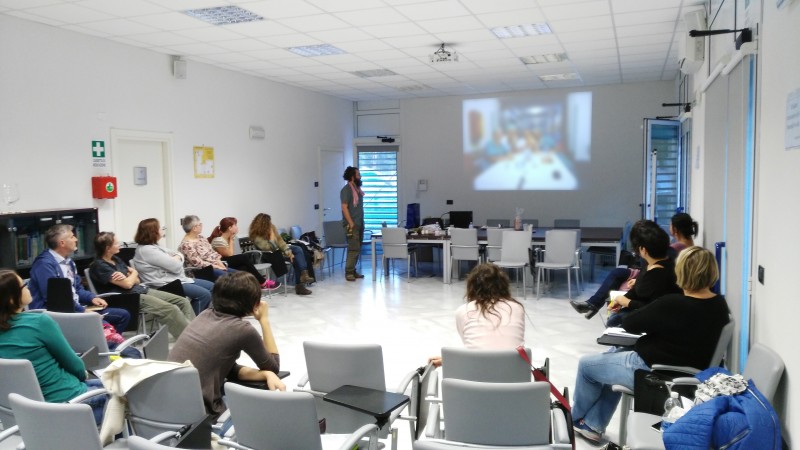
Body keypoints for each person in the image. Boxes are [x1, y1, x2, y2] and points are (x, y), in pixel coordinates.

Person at [571, 246, 730, 444]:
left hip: (652, 373)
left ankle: (574, 419)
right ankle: (592, 424)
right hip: (693, 376)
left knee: (587, 366)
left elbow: (630, 323)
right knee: (613, 355)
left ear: (682, 272)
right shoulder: (720, 306)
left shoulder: (673, 304)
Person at [167, 271, 285, 420]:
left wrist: (265, 374)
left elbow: (224, 367)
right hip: (202, 415)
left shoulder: (205, 314)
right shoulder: (242, 329)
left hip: (170, 405)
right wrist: (264, 321)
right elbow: (273, 366)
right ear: (254, 303)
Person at [0, 270, 108, 425]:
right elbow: (75, 366)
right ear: (11, 299)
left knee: (108, 384)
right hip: (70, 404)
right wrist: (81, 377)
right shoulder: (39, 322)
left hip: (26, 414)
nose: (28, 287)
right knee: (127, 394)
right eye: (24, 285)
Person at [570, 220, 682, 326]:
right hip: (649, 311)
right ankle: (593, 306)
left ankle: (593, 306)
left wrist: (625, 301)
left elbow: (652, 307)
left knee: (613, 321)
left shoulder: (657, 273)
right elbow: (639, 290)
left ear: (643, 250)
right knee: (614, 315)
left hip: (655, 318)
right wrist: (620, 301)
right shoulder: (657, 263)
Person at [90, 231, 195, 339]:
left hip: (139, 290)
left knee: (183, 301)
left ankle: (193, 333)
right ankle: (189, 339)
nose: (119, 245)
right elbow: (127, 285)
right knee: (170, 309)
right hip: (127, 297)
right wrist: (133, 274)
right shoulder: (99, 266)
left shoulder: (116, 259)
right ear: (108, 248)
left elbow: (137, 281)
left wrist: (131, 276)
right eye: (116, 243)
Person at [29, 224, 130, 333]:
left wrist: (91, 298)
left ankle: (104, 346)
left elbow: (77, 288)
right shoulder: (44, 264)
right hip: (57, 314)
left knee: (123, 315)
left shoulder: (69, 262)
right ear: (62, 243)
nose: (76, 239)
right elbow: (56, 300)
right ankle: (103, 345)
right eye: (72, 237)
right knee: (106, 330)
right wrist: (82, 311)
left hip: (75, 309)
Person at [428, 263, 525, 367]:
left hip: (473, 380)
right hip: (514, 379)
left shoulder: (464, 311)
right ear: (504, 286)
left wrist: (449, 359)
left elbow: (474, 349)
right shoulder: (517, 308)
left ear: (471, 287)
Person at [131, 218, 213, 314]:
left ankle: (195, 316)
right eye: (160, 228)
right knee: (204, 295)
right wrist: (177, 258)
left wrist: (177, 257)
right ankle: (192, 324)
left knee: (213, 287)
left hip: (176, 279)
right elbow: (175, 266)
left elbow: (177, 254)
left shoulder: (155, 246)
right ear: (153, 232)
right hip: (164, 284)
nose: (162, 229)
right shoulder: (147, 250)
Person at [248, 213, 313, 296]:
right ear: (263, 225)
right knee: (296, 258)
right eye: (268, 223)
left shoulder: (271, 228)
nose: (270, 224)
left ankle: (304, 274)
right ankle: (300, 285)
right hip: (269, 256)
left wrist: (287, 251)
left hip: (279, 252)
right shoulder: (256, 236)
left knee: (298, 249)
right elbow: (269, 248)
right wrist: (271, 238)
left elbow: (280, 241)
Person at [207, 216, 280, 290]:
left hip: (227, 262)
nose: (237, 227)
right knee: (243, 257)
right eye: (235, 225)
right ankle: (262, 282)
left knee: (244, 268)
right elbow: (229, 255)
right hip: (221, 262)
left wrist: (231, 239)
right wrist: (231, 240)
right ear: (230, 228)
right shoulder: (218, 240)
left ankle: (255, 287)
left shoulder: (228, 239)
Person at [340, 166, 365, 282]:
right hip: (352, 225)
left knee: (358, 248)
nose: (360, 177)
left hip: (359, 223)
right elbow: (344, 207)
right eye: (358, 175)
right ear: (352, 177)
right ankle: (349, 272)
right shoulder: (346, 190)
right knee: (353, 249)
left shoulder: (357, 190)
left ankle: (353, 270)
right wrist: (351, 223)